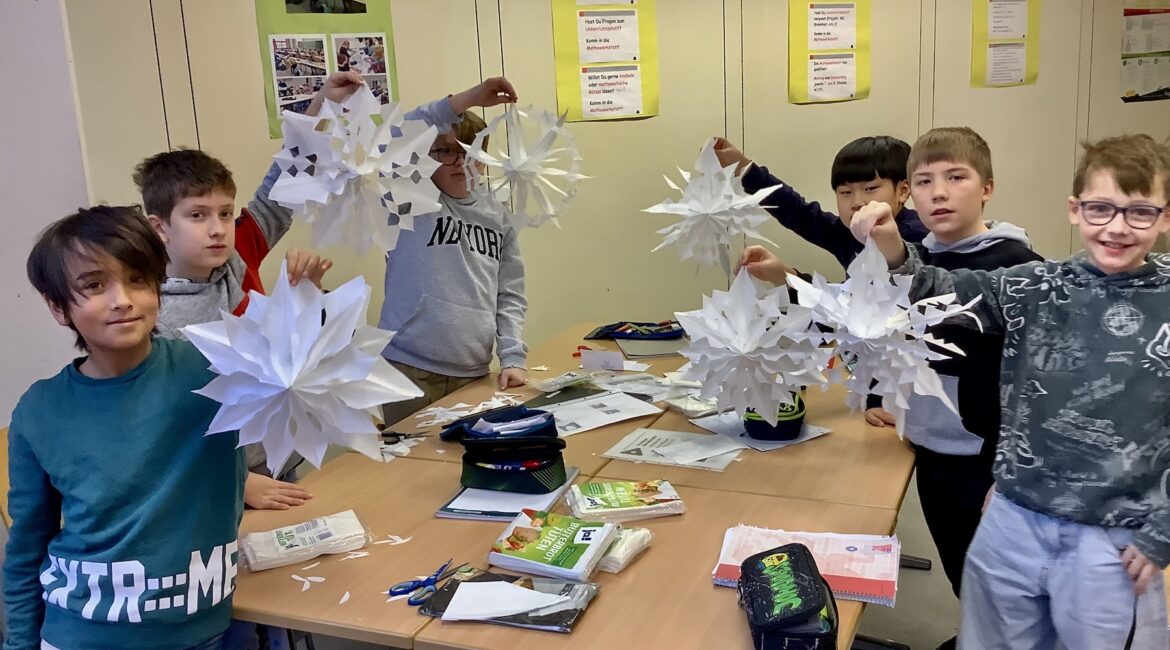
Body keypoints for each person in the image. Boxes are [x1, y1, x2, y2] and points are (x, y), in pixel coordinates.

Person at [864, 133, 1170, 648]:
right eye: (1100, 208)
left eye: (1139, 212)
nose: (1116, 227)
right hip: (1014, 516)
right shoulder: (1037, 285)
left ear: (1164, 218)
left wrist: (1162, 529)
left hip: (1115, 533)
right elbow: (937, 291)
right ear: (1075, 210)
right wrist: (890, 245)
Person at [6, 205, 246, 648]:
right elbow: (26, 545)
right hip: (80, 633)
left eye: (137, 279)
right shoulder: (39, 410)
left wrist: (304, 308)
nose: (122, 300)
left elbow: (301, 394)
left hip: (201, 631)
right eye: (94, 285)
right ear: (57, 306)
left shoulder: (218, 372)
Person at [373, 76, 529, 427]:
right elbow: (400, 136)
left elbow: (510, 295)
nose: (461, 162)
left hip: (472, 371)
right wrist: (466, 99)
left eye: (472, 153)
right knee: (404, 460)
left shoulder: (498, 216)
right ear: (425, 157)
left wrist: (512, 357)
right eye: (447, 151)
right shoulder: (409, 199)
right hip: (406, 368)